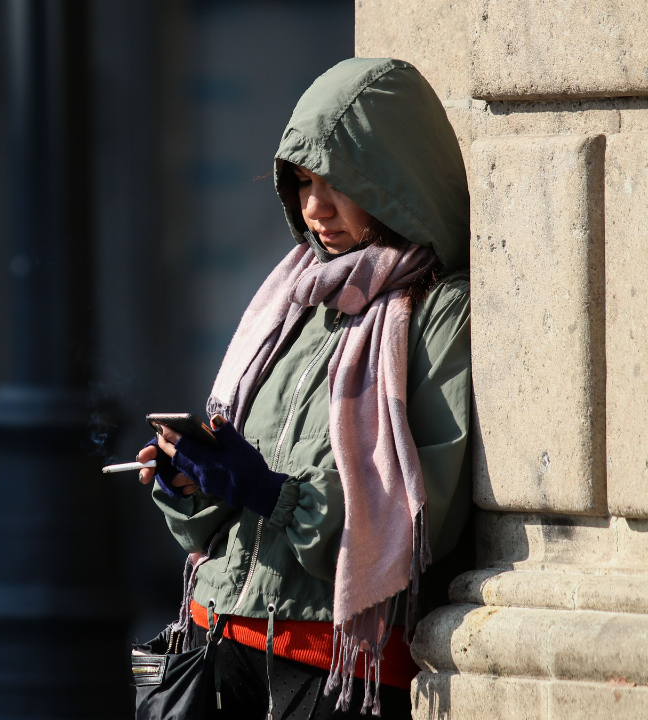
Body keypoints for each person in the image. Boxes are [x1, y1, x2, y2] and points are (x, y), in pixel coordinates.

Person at [137, 58, 473, 719]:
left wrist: (273, 493)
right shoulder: (293, 296)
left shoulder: (438, 310)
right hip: (218, 641)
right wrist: (196, 484)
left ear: (393, 179)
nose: (313, 208)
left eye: (338, 183)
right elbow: (237, 507)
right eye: (300, 183)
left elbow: (426, 514)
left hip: (329, 667)